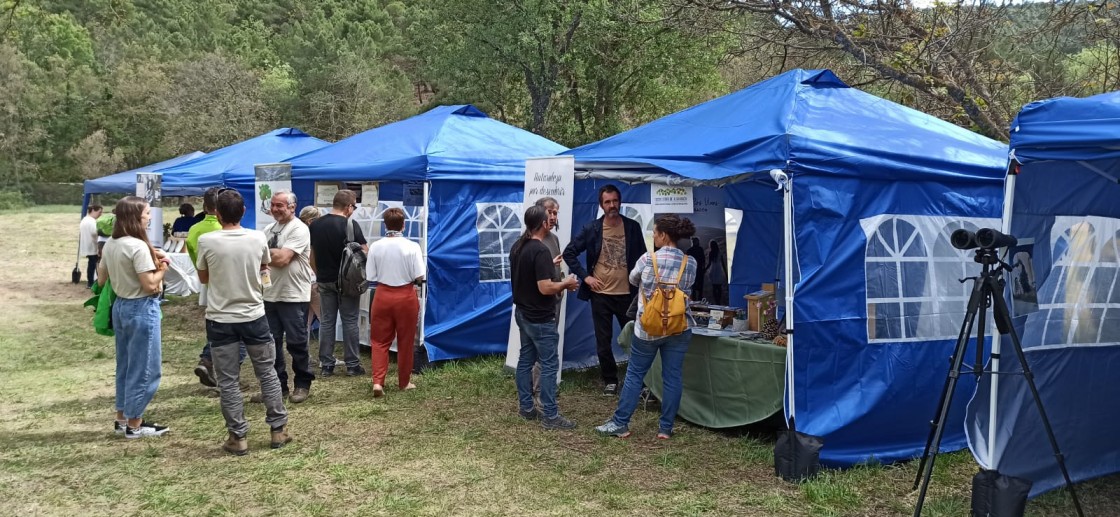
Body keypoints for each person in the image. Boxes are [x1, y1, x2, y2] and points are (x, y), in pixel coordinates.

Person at [195, 189, 291, 455]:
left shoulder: (207, 240)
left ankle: (238, 437)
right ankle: (278, 430)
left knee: (228, 380)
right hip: (254, 315)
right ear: (244, 211)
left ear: (216, 212)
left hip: (220, 318)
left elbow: (203, 278)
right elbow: (265, 267)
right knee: (267, 373)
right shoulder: (257, 237)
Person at [596, 215, 697, 440]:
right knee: (672, 377)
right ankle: (665, 428)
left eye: (656, 233)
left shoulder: (647, 259)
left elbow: (632, 280)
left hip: (648, 327)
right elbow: (688, 287)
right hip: (679, 327)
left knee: (634, 374)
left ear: (662, 235)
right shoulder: (690, 262)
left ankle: (620, 423)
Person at [96, 196, 170, 439]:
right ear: (136, 217)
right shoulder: (137, 246)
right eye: (147, 213)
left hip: (121, 307)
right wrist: (162, 270)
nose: (149, 217)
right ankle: (135, 424)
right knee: (146, 367)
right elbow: (149, 285)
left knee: (126, 365)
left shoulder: (111, 244)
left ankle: (122, 417)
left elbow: (101, 279)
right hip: (141, 308)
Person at [562, 185, 646, 395]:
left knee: (636, 338)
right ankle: (610, 380)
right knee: (603, 340)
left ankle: (640, 380)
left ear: (620, 202)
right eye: (607, 202)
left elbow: (644, 259)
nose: (612, 205)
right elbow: (569, 253)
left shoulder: (633, 227)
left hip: (628, 295)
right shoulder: (592, 229)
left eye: (615, 201)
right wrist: (586, 277)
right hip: (601, 296)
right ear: (601, 205)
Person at [512, 205, 580, 430]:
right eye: (549, 217)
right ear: (542, 223)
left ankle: (526, 408)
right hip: (540, 318)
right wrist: (566, 283)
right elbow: (544, 287)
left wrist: (547, 266)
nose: (552, 219)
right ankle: (550, 416)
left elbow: (527, 274)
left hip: (523, 313)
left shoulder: (518, 246)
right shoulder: (540, 250)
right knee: (549, 364)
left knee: (525, 360)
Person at [259, 192, 314, 404]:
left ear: (292, 207)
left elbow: (282, 259)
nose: (274, 209)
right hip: (270, 294)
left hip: (293, 295)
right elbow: (265, 258)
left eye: (280, 205)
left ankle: (302, 384)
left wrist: (262, 254)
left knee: (297, 342)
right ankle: (277, 387)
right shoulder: (267, 230)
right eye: (272, 205)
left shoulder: (299, 228)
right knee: (271, 344)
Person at [365, 207, 425, 397]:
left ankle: (378, 382)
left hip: (382, 294)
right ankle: (404, 381)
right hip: (406, 295)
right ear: (404, 225)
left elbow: (371, 275)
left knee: (379, 341)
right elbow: (420, 275)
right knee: (406, 340)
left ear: (385, 225)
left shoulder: (375, 246)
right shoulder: (412, 246)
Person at [188, 187, 244, 388]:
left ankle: (208, 360)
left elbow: (197, 263)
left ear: (204, 206)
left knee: (217, 327)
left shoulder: (195, 230)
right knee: (238, 333)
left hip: (208, 284)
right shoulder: (222, 231)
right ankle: (223, 372)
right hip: (232, 284)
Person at [309, 190, 367, 377]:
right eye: (354, 207)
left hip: (324, 280)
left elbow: (312, 257)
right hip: (348, 282)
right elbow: (364, 253)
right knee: (350, 321)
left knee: (327, 321)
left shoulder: (315, 225)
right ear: (349, 207)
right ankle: (352, 365)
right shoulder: (351, 225)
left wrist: (320, 275)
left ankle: (326, 364)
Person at [531, 197, 565, 407]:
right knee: (540, 350)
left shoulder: (553, 239)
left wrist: (561, 286)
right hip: (538, 305)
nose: (553, 217)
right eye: (549, 212)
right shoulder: (530, 241)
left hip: (554, 301)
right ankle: (539, 393)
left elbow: (555, 271)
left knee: (548, 346)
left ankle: (543, 388)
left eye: (555, 213)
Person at [299, 206, 324, 342]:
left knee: (305, 321)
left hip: (301, 281)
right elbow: (311, 259)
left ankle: (305, 356)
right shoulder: (310, 235)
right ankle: (325, 357)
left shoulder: (295, 232)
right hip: (312, 280)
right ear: (310, 221)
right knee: (324, 319)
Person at [79, 204, 103, 288]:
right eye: (99, 212)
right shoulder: (92, 221)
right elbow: (94, 233)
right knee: (93, 265)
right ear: (93, 210)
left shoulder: (84, 220)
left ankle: (91, 281)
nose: (100, 214)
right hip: (92, 246)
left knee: (91, 264)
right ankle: (91, 282)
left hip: (88, 245)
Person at [707, 240, 727, 305]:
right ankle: (719, 300)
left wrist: (705, 269)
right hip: (719, 270)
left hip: (713, 270)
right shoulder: (719, 253)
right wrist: (726, 273)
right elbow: (723, 264)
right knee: (719, 287)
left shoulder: (711, 253)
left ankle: (716, 300)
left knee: (714, 287)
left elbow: (709, 263)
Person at [685, 237, 706, 301]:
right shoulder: (700, 249)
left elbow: (686, 261)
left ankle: (694, 302)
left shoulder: (689, 250)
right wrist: (703, 268)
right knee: (699, 288)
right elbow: (703, 260)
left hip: (692, 271)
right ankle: (699, 301)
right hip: (699, 270)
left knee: (693, 287)